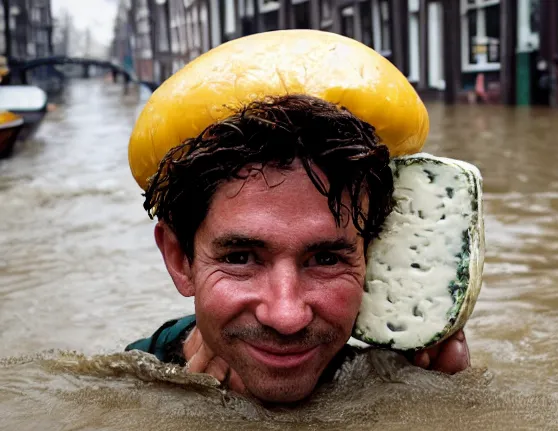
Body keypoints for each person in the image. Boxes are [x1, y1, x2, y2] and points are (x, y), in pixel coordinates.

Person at [125, 94, 471, 404]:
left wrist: (449, 401)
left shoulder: (399, 383)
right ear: (180, 259)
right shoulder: (129, 388)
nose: (287, 317)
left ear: (372, 260)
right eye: (240, 258)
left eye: (325, 259)